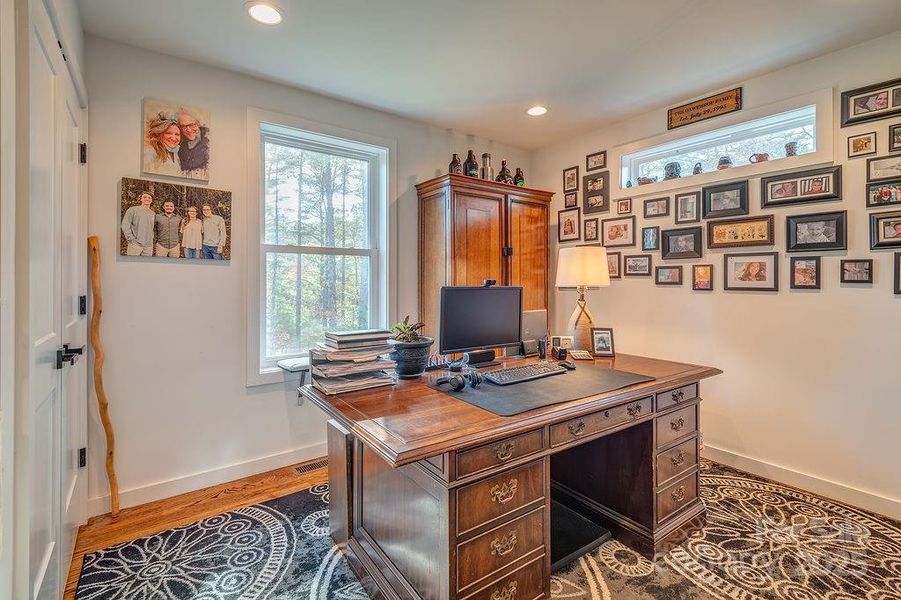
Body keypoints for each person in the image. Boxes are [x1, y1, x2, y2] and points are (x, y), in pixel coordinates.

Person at [144, 113, 182, 177]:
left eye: (177, 134)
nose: (173, 138)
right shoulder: (151, 152)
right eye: (168, 133)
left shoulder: (175, 154)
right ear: (159, 134)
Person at [176, 109, 210, 176]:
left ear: (198, 124)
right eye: (184, 126)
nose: (188, 130)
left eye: (191, 125)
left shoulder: (209, 138)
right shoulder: (178, 144)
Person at [121, 191, 155, 256]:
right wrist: (131, 239)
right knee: (132, 262)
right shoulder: (132, 210)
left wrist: (151, 240)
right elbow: (125, 225)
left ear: (151, 200)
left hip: (148, 246)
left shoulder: (153, 213)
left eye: (149, 198)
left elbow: (152, 228)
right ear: (140, 199)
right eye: (145, 197)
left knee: (146, 263)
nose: (147, 199)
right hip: (135, 244)